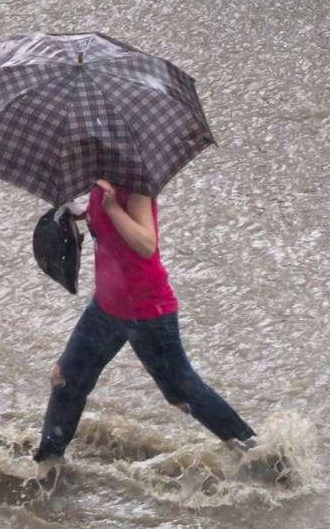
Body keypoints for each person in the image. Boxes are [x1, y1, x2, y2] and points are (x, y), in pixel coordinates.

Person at [33, 178, 262, 466]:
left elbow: (146, 243)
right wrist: (74, 209)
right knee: (66, 380)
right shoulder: (99, 182)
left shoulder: (136, 185)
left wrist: (114, 208)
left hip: (147, 312)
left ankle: (255, 453)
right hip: (106, 308)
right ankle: (47, 464)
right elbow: (96, 214)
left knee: (181, 393)